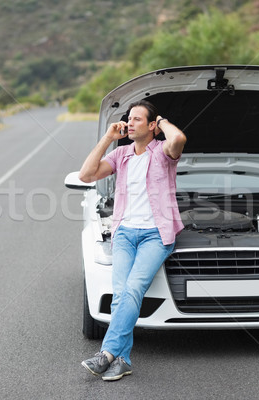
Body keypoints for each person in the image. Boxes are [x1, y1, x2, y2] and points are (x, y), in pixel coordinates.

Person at [78, 99, 187, 381]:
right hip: (125, 232)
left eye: (137, 119)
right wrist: (107, 137)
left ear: (151, 126)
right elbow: (86, 174)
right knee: (120, 294)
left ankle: (107, 353)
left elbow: (179, 138)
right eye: (129, 118)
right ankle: (122, 359)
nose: (129, 122)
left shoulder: (163, 152)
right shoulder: (121, 155)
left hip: (156, 234)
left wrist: (161, 121)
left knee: (134, 287)